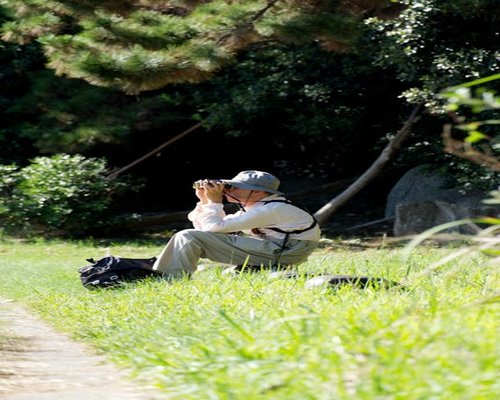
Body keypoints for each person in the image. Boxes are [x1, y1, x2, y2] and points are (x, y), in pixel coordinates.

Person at [152, 170, 321, 279]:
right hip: (279, 250)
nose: (228, 190)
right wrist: (204, 201)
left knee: (187, 236)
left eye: (235, 187)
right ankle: (167, 276)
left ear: (257, 192)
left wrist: (214, 202)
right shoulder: (259, 207)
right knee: (190, 237)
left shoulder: (273, 209)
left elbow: (213, 229)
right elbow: (206, 230)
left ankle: (168, 279)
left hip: (285, 252)